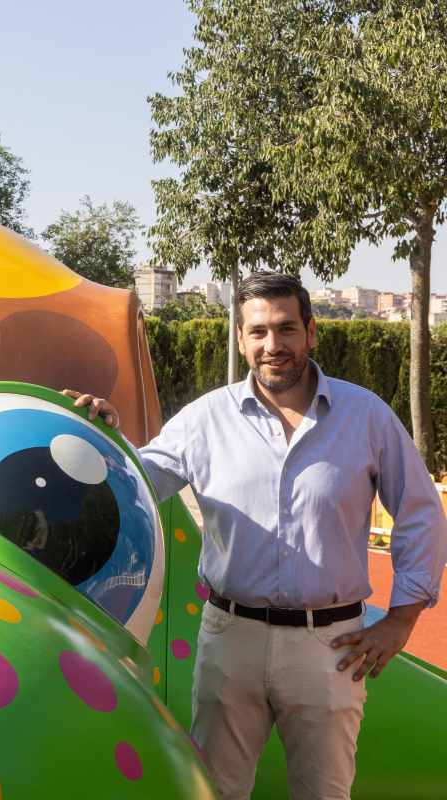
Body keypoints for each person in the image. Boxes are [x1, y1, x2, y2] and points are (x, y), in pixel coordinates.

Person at [67, 272, 447, 800]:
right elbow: (136, 479)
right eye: (259, 332)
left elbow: (422, 512)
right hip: (231, 639)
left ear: (311, 332)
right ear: (241, 340)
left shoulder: (366, 417)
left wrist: (403, 619)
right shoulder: (206, 420)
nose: (274, 346)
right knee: (216, 791)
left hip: (330, 646)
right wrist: (100, 436)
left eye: (287, 329)